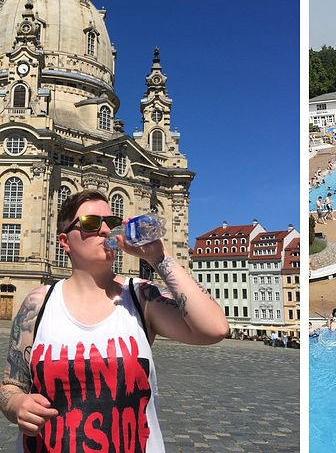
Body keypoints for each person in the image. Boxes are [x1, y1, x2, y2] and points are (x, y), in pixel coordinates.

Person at [0, 189, 229, 450]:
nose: (105, 231)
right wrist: (17, 405)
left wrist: (158, 258)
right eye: (90, 223)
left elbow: (215, 328)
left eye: (111, 222)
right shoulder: (38, 303)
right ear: (65, 241)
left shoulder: (140, 297)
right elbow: (10, 386)